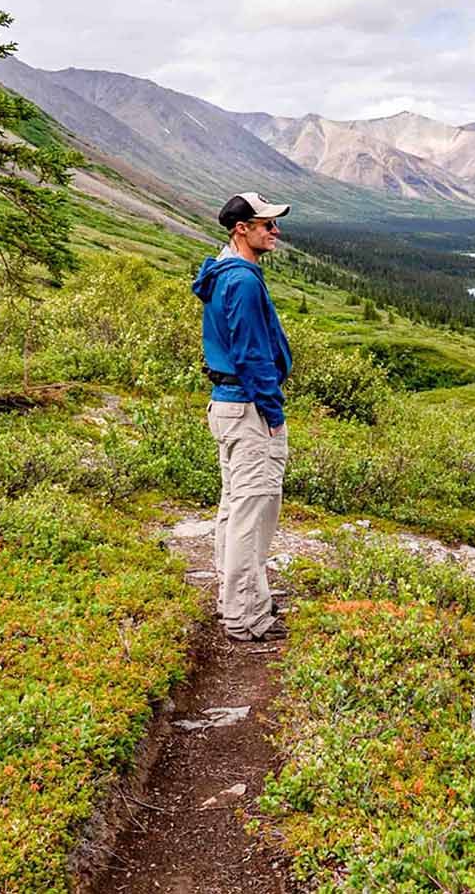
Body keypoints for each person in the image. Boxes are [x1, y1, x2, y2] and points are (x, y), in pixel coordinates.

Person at [192, 192, 294, 644]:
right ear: (242, 229)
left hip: (226, 404)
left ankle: (233, 599)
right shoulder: (243, 281)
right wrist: (273, 412)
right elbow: (252, 354)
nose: (275, 231)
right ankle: (247, 616)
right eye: (266, 224)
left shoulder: (221, 272)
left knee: (235, 508)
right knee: (253, 513)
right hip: (249, 408)